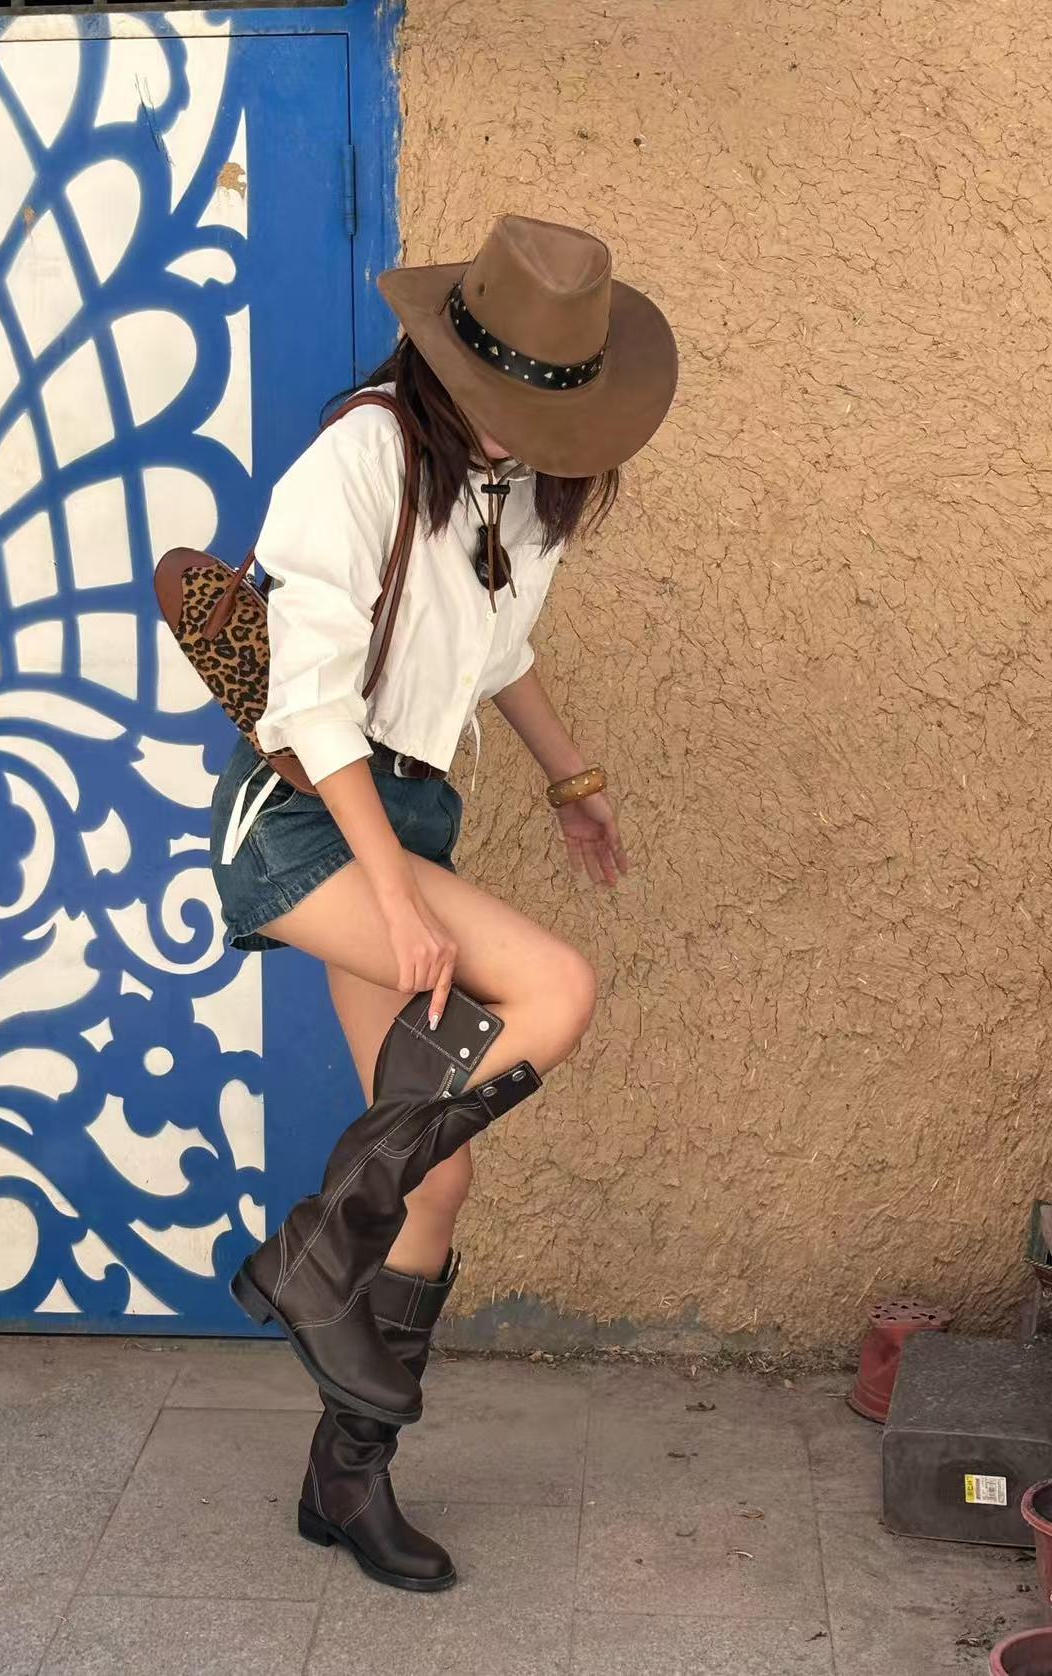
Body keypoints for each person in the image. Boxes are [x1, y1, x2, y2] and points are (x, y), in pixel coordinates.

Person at [210, 214, 677, 1592]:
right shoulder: (358, 459)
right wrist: (397, 898)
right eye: (522, 400)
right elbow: (306, 704)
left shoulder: (514, 482)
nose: (541, 431)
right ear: (457, 363)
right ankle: (313, 1256)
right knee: (557, 988)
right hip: (306, 819)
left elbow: (499, 648)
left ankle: (344, 1478)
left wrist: (571, 780)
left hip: (405, 819)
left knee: (440, 1169)